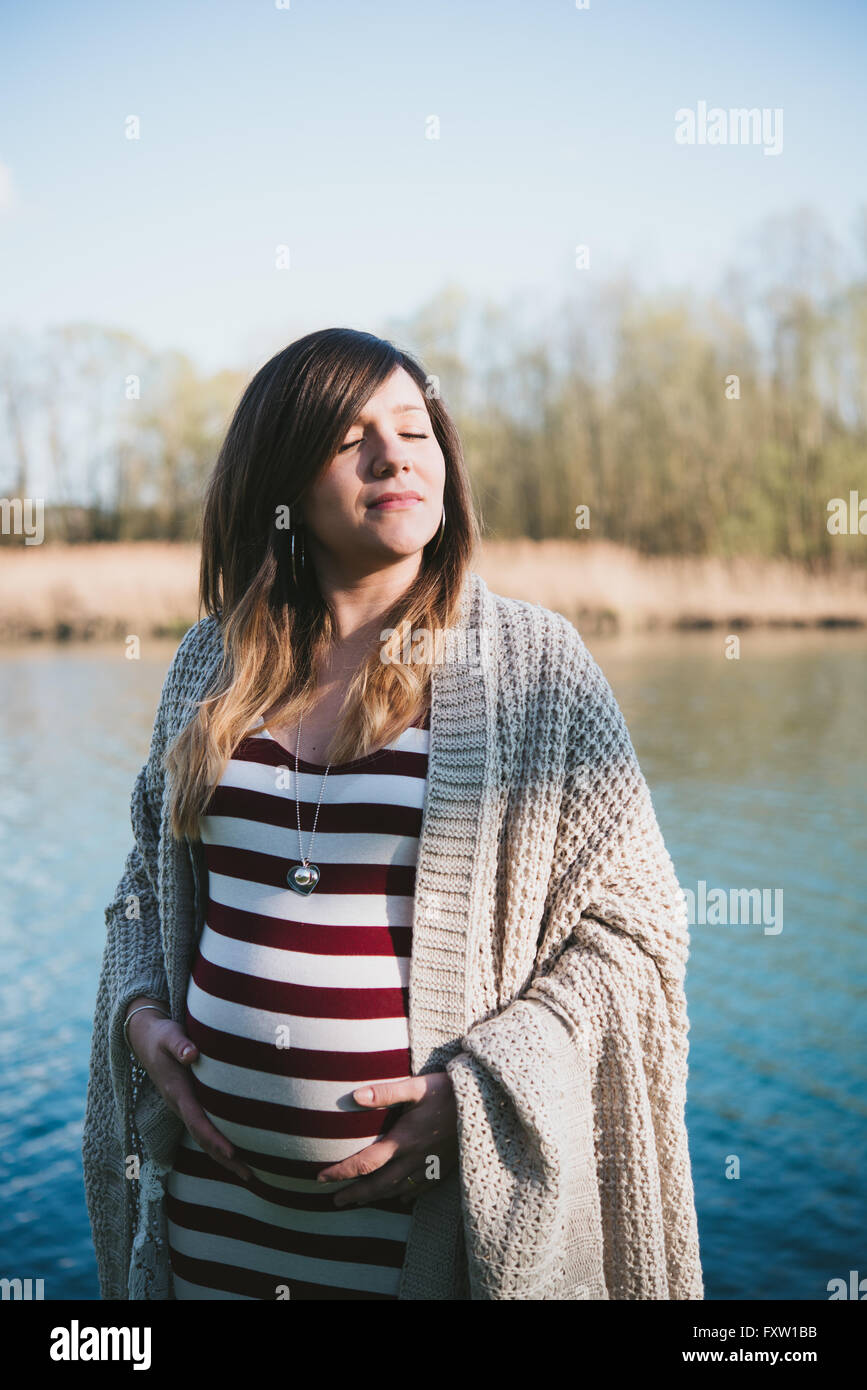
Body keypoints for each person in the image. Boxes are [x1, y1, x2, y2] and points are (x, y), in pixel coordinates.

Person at [82, 326, 704, 1300]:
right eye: (352, 435)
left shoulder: (535, 670)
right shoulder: (211, 663)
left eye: (415, 427)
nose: (395, 454)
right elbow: (139, 885)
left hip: (418, 1247)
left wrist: (475, 1096)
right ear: (283, 478)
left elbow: (635, 930)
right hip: (212, 1238)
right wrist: (141, 1015)